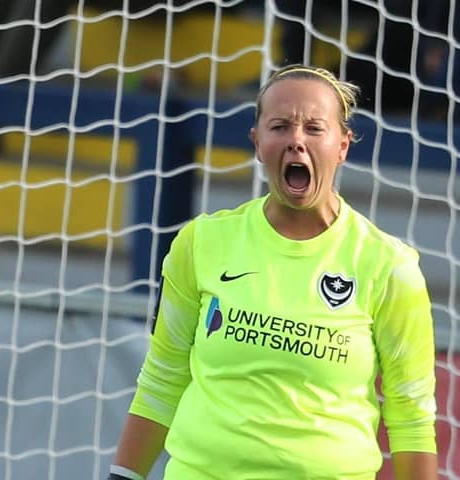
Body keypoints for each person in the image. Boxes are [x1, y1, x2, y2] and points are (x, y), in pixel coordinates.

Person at [109, 64, 438, 480]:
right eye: (280, 126)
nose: (296, 140)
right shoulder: (202, 243)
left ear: (343, 145)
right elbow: (162, 378)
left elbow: (411, 415)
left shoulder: (389, 266)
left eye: (314, 129)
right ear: (258, 142)